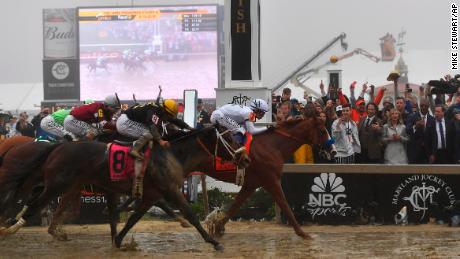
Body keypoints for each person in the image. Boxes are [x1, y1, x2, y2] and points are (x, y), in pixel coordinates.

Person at [116, 99, 192, 200]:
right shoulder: (154, 111)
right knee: (150, 133)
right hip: (124, 123)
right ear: (165, 110)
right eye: (168, 115)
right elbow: (152, 126)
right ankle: (134, 149)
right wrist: (160, 141)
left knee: (151, 133)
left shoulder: (161, 110)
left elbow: (174, 120)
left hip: (129, 120)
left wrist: (189, 127)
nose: (168, 118)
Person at [405, 99, 434, 164]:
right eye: (422, 105)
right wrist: (415, 126)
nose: (423, 107)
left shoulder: (432, 119)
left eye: (425, 106)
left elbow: (433, 137)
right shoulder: (412, 116)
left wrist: (433, 153)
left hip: (427, 152)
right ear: (419, 106)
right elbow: (407, 130)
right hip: (414, 151)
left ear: (428, 106)